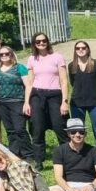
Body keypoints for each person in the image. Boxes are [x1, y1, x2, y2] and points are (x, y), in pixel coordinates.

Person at [24, 32, 70, 169]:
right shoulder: (32, 59)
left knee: (60, 127)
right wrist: (27, 102)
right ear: (34, 44)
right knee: (37, 129)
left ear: (48, 42)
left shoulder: (57, 57)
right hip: (37, 95)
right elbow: (30, 82)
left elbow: (63, 80)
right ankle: (39, 161)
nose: (41, 43)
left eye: (44, 41)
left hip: (55, 95)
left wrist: (64, 101)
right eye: (38, 41)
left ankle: (67, 158)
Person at [50, 118, 96, 191]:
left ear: (85, 134)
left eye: (81, 132)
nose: (77, 135)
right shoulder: (59, 150)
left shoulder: (95, 151)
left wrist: (91, 186)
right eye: (73, 132)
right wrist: (69, 190)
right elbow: (58, 176)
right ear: (68, 134)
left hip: (89, 185)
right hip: (68, 185)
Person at [0, 45, 31, 159]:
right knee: (10, 130)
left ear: (11, 54)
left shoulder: (20, 67)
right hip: (2, 102)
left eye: (7, 53)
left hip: (18, 101)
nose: (4, 56)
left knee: (20, 129)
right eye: (2, 54)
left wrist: (27, 102)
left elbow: (28, 85)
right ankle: (15, 153)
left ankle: (28, 155)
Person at [67, 41, 96, 152]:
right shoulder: (71, 66)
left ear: (88, 49)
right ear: (75, 51)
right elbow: (73, 82)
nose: (81, 50)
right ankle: (80, 155)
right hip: (77, 103)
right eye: (78, 48)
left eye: (83, 48)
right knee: (77, 131)